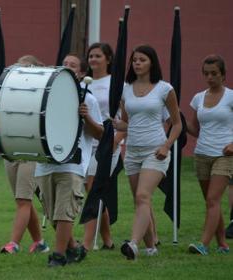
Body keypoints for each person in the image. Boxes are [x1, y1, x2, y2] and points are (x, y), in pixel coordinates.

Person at [115, 44, 182, 260]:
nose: (137, 63)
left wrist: (166, 146)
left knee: (143, 195)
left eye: (142, 60)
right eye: (134, 60)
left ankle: (133, 244)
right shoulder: (126, 89)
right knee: (139, 199)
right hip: (132, 152)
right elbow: (127, 123)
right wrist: (113, 124)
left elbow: (178, 124)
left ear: (151, 62)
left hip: (156, 151)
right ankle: (151, 246)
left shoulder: (165, 88)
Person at [35, 65, 104, 266]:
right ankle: (74, 248)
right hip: (45, 164)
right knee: (53, 215)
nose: (67, 67)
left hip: (72, 163)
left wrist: (86, 116)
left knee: (64, 211)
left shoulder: (87, 98)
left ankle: (58, 256)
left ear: (81, 73)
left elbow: (99, 133)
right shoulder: (44, 97)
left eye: (73, 65)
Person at [0, 55, 50, 255]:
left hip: (32, 152)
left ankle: (13, 244)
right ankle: (40, 243)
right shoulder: (10, 94)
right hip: (11, 151)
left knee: (23, 200)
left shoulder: (40, 96)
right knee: (23, 200)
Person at [80, 43, 125, 251]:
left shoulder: (116, 84)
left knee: (93, 188)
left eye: (98, 56)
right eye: (90, 56)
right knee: (92, 188)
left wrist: (117, 140)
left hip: (109, 140)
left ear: (108, 59)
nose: (93, 60)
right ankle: (107, 240)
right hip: (88, 141)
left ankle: (87, 242)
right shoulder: (82, 84)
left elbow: (125, 116)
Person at [187, 54, 233, 255]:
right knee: (211, 201)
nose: (210, 77)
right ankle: (223, 244)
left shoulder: (231, 96)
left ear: (223, 75)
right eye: (206, 74)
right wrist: (175, 119)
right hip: (202, 154)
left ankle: (203, 245)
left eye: (214, 73)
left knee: (212, 200)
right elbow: (195, 129)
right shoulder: (198, 98)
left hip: (225, 155)